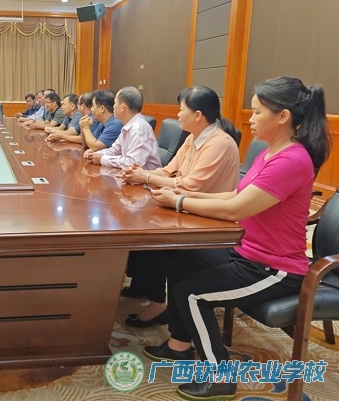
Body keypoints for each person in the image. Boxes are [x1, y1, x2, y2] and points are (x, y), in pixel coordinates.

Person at [143, 76, 330, 400]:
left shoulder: (292, 160)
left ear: (283, 116)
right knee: (180, 256)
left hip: (275, 269)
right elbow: (234, 195)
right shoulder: (270, 153)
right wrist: (181, 197)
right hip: (247, 253)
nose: (250, 119)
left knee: (192, 294)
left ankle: (220, 376)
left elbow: (236, 209)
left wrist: (179, 201)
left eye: (257, 112)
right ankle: (179, 345)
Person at [119, 86, 241, 327]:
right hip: (185, 208)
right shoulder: (192, 138)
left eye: (181, 109)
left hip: (208, 217)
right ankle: (143, 287)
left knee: (153, 237)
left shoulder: (219, 143)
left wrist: (146, 177)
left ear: (198, 115)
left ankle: (158, 303)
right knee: (137, 220)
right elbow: (168, 171)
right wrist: (139, 174)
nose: (177, 114)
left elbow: (191, 185)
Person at [84, 86, 160, 169]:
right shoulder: (128, 126)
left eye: (115, 103)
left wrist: (102, 159)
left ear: (123, 107)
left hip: (146, 176)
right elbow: (115, 150)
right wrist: (96, 154)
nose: (113, 107)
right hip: (128, 174)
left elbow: (133, 163)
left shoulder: (138, 129)